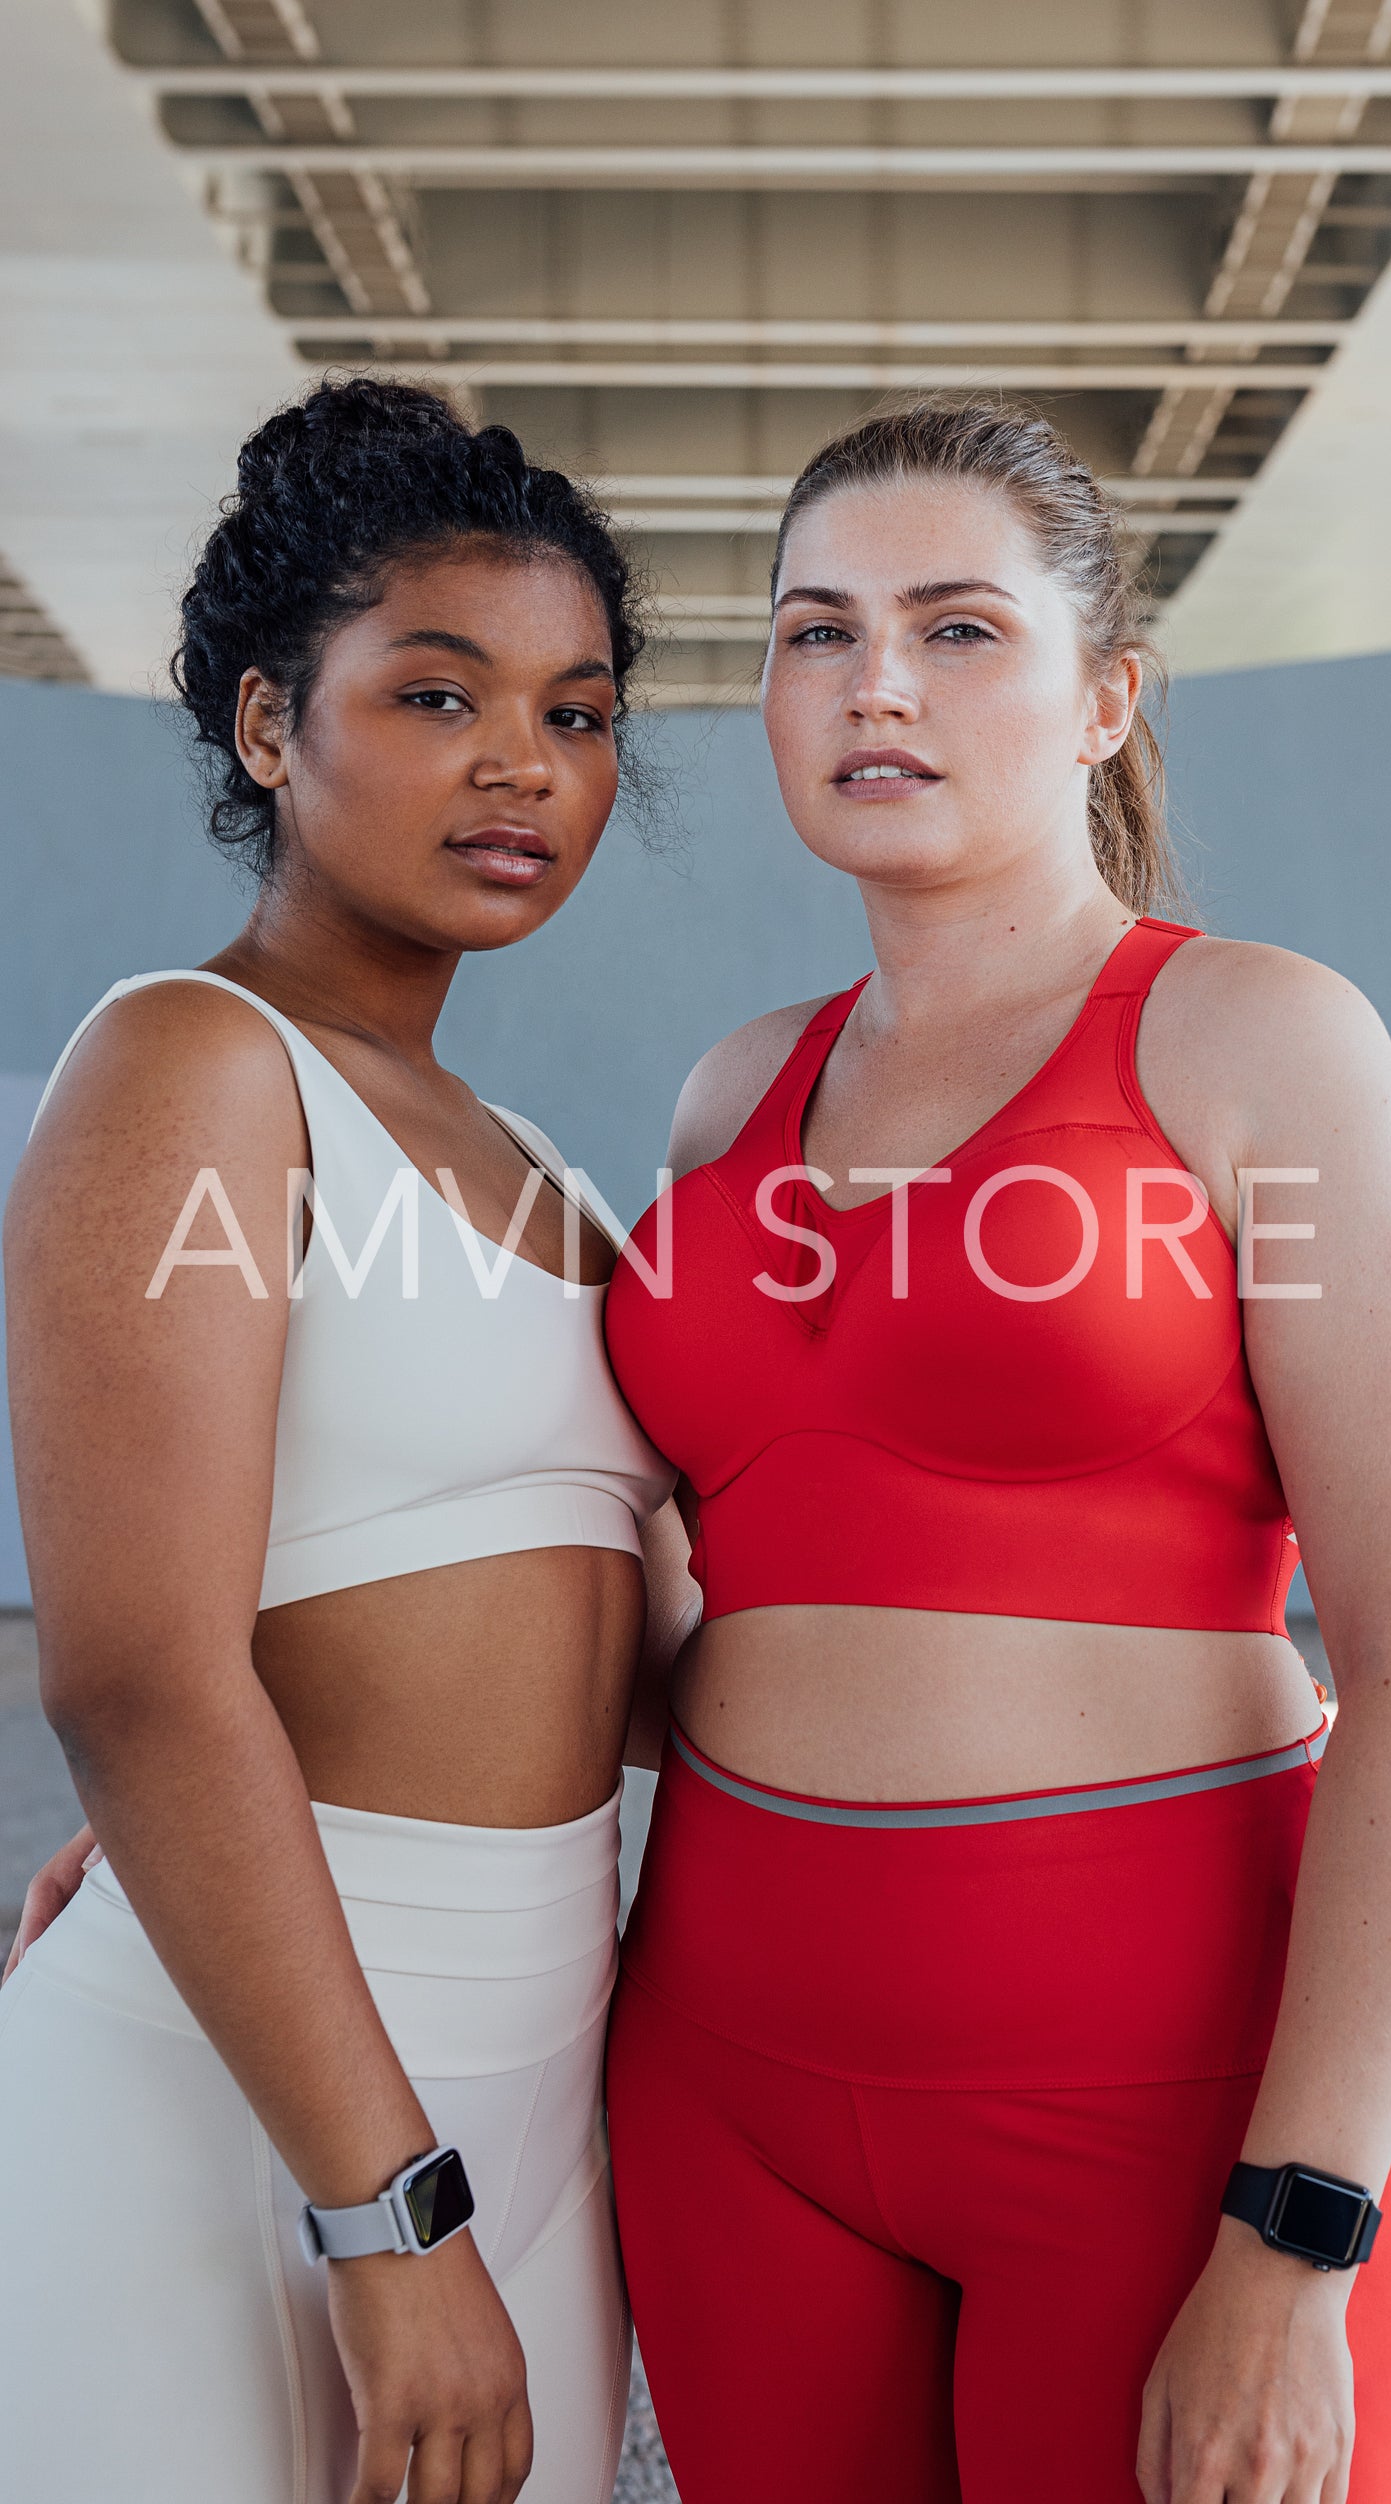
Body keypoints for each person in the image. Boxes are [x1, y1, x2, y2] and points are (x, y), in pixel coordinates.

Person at [603, 399, 1391, 2503]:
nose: (876, 684)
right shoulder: (733, 1095)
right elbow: (595, 1588)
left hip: (1158, 2101)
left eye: (955, 627)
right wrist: (284, 1771)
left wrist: (1298, 2226)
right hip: (728, 2083)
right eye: (816, 633)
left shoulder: (1258, 1038)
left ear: (1105, 697)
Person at [0, 376, 694, 2504]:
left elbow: (628, 1668)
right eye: (435, 692)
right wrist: (387, 2214)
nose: (524, 765)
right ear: (264, 725)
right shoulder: (187, 1066)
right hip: (259, 2112)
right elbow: (135, 1673)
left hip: (537, 2095)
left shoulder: (545, 1168)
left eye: (578, 715)